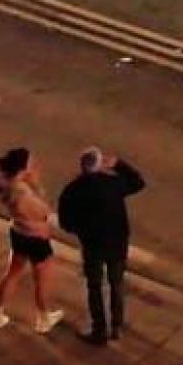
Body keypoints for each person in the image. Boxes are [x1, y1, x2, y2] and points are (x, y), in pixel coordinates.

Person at [56, 148, 146, 345]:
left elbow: (65, 223)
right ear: (100, 164)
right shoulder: (113, 183)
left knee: (95, 285)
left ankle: (99, 330)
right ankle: (116, 325)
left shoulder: (72, 190)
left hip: (92, 245)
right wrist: (119, 165)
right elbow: (139, 182)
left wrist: (82, 231)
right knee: (116, 283)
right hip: (117, 242)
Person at [0, 147, 64, 335]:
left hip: (18, 232)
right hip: (35, 237)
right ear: (22, 168)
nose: (33, 164)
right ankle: (43, 318)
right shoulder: (23, 193)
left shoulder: (4, 182)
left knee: (13, 272)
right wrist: (37, 185)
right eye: (30, 162)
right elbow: (44, 213)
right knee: (42, 277)